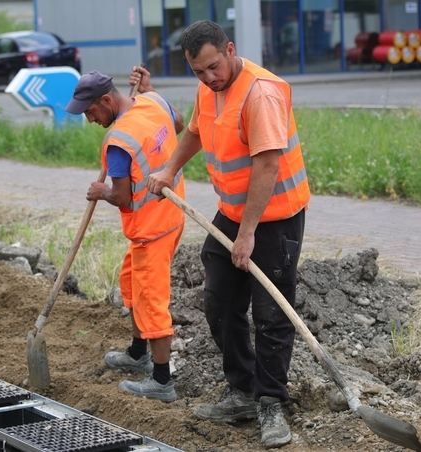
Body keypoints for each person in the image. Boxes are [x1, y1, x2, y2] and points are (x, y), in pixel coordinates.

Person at [143, 20, 309, 448]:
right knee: (219, 299)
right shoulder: (209, 89)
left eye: (215, 67)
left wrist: (248, 233)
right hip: (232, 211)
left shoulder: (261, 93)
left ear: (230, 49)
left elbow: (267, 166)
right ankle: (242, 389)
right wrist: (168, 168)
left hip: (274, 217)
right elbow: (196, 131)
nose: (209, 77)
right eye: (199, 72)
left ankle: (271, 401)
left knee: (272, 312)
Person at [65, 70, 186, 402]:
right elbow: (178, 125)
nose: (91, 120)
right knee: (131, 282)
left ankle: (162, 381)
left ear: (106, 100)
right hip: (171, 218)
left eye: (91, 112)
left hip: (151, 229)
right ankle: (138, 353)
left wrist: (100, 191)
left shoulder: (118, 142)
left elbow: (123, 197)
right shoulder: (152, 101)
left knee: (150, 300)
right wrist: (151, 90)